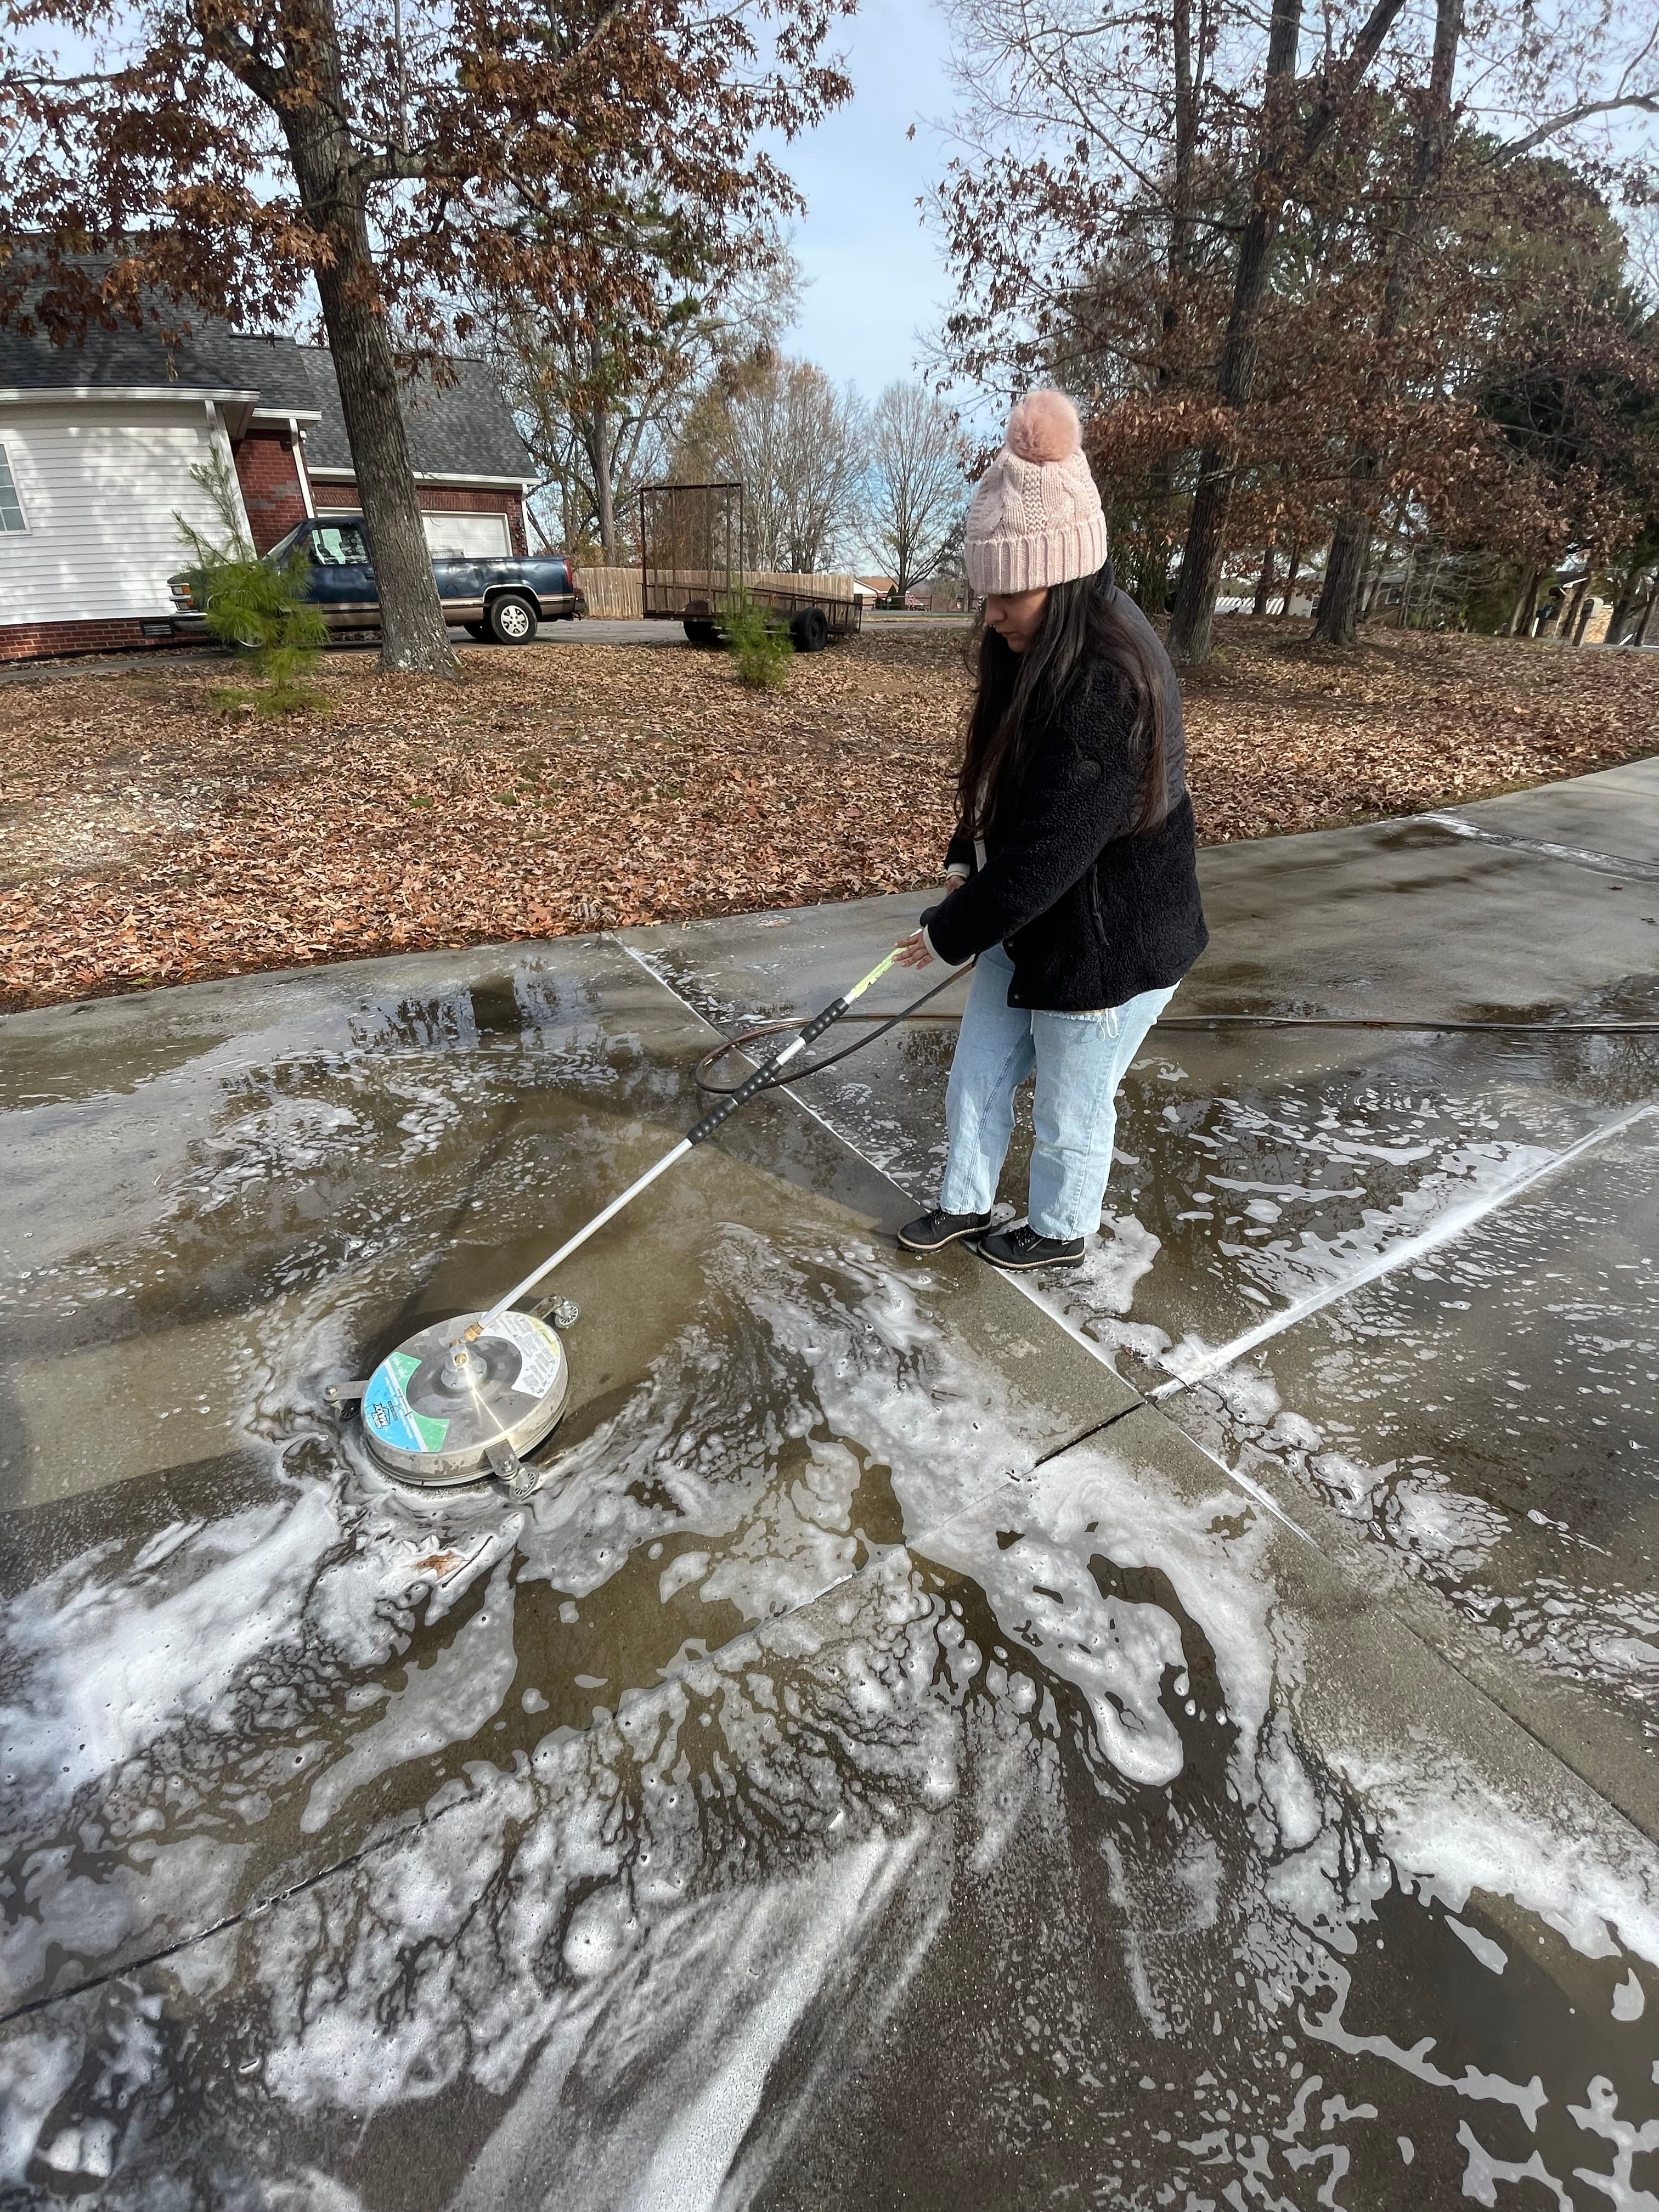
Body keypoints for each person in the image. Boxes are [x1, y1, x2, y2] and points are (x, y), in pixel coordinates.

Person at [894, 388, 1208, 1272]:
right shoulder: (1025, 645)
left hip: (1108, 939)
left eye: (1006, 594)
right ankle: (964, 1200)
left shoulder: (1114, 680)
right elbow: (997, 771)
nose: (989, 614)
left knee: (1074, 1103)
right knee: (979, 1072)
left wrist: (947, 933)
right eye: (983, 593)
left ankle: (1062, 1230)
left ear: (1064, 574)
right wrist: (965, 852)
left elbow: (1050, 853)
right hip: (1029, 919)